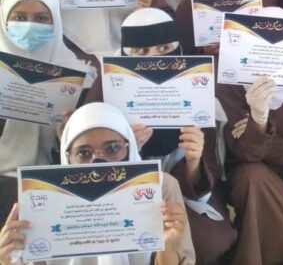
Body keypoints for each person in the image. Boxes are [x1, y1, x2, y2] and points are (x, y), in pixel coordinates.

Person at [83, 8, 237, 264]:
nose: (154, 59)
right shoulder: (106, 89)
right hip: (118, 196)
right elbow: (85, 162)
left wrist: (194, 161)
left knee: (209, 240)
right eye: (141, 52)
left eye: (164, 49)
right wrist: (124, 153)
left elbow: (203, 176)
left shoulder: (194, 87)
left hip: (182, 194)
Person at [0, 102, 196, 265]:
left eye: (113, 148)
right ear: (68, 157)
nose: (98, 163)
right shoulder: (42, 196)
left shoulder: (161, 186)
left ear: (129, 148)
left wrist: (166, 245)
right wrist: (7, 259)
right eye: (84, 153)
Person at [217, 6, 283, 264]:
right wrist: (259, 118)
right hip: (246, 180)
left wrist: (257, 133)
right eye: (260, 49)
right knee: (253, 176)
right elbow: (242, 154)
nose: (271, 58)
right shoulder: (230, 81)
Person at [0, 0, 94, 223]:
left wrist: (71, 132)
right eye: (19, 17)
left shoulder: (79, 77)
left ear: (56, 22)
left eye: (42, 18)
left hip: (55, 179)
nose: (30, 25)